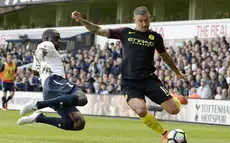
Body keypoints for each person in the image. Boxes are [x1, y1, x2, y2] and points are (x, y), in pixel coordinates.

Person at [71, 6, 187, 142]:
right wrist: (82, 20)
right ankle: (164, 134)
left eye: (146, 20)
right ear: (134, 20)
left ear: (150, 18)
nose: (144, 24)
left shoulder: (155, 37)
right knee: (141, 109)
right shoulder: (125, 32)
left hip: (149, 80)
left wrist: (177, 72)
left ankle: (176, 99)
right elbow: (98, 30)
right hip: (129, 82)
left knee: (174, 110)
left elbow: (164, 56)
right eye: (140, 21)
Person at [17, 29, 88, 131]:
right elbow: (39, 51)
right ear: (46, 39)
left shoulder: (45, 56)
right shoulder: (47, 44)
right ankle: (38, 105)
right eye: (56, 38)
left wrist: (41, 65)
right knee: (82, 98)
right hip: (54, 81)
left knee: (78, 122)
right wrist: (42, 62)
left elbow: (35, 72)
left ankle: (38, 118)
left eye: (59, 39)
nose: (58, 41)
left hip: (50, 91)